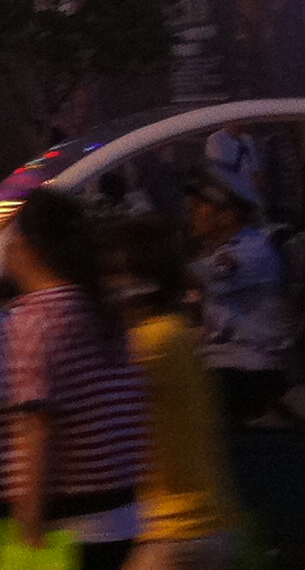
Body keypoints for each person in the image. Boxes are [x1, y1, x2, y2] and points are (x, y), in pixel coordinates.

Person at [0, 187, 150, 570]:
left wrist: (27, 530)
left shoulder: (34, 320)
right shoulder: (100, 309)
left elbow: (36, 429)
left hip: (70, 532)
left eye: (10, 237)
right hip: (127, 519)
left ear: (29, 249)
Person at [108, 215, 244, 570]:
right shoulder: (176, 333)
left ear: (135, 281)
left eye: (112, 275)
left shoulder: (148, 342)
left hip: (175, 533)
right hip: (211, 524)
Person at [184, 179, 288, 422]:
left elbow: (187, 277)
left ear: (227, 215)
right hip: (226, 365)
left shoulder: (250, 251)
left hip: (245, 370)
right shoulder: (221, 250)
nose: (192, 210)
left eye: (201, 205)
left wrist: (147, 258)